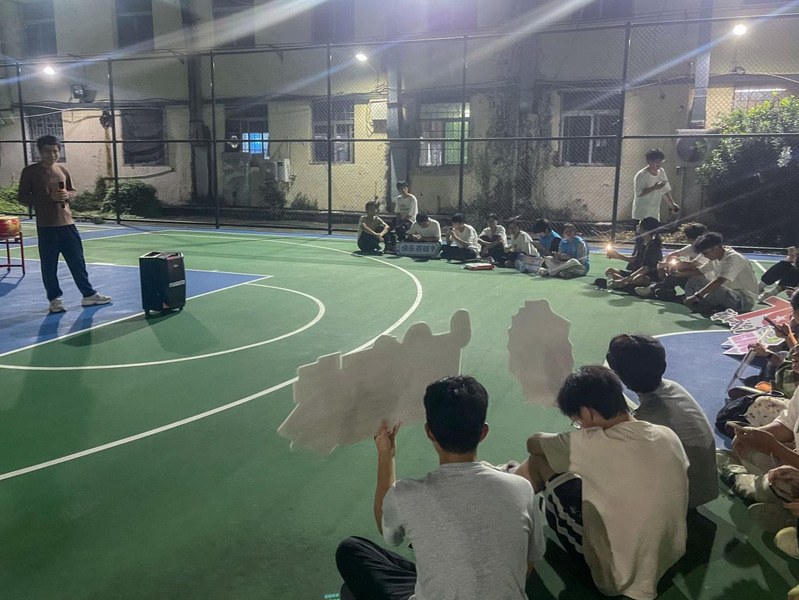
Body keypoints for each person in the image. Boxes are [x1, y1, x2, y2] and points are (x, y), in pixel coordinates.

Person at [335, 376, 545, 600]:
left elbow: (388, 530)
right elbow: (527, 567)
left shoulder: (407, 495)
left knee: (352, 549)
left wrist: (386, 455)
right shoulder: (521, 489)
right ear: (483, 432)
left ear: (429, 432)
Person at [514, 365, 689, 600]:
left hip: (618, 578)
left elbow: (533, 443)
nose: (579, 425)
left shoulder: (591, 444)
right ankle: (509, 482)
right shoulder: (666, 434)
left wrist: (581, 436)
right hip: (669, 552)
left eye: (577, 420)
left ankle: (506, 500)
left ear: (587, 413)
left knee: (539, 461)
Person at [606, 333, 718, 508]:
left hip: (681, 499)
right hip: (706, 485)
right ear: (663, 366)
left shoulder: (643, 424)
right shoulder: (674, 387)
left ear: (616, 372)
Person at [18, 135, 112, 313]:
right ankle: (55, 300)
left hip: (68, 224)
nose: (52, 155)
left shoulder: (62, 169)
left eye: (55, 151)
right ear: (40, 152)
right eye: (47, 151)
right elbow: (23, 197)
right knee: (49, 265)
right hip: (47, 226)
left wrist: (68, 195)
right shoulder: (30, 172)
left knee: (77, 261)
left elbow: (72, 191)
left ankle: (88, 294)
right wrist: (49, 198)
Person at [684, 232, 759, 314]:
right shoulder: (715, 258)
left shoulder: (733, 258)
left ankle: (701, 303)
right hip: (727, 293)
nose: (704, 256)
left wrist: (697, 296)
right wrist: (678, 273)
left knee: (716, 287)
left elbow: (720, 281)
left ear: (716, 248)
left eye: (705, 253)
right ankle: (696, 303)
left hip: (743, 300)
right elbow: (699, 272)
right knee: (695, 279)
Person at [635, 222, 709, 300]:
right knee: (675, 267)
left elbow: (691, 264)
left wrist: (667, 265)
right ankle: (666, 290)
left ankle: (655, 289)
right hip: (693, 278)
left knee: (677, 273)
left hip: (705, 282)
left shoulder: (707, 250)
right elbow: (670, 255)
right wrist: (664, 265)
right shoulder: (692, 248)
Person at [597, 216, 662, 291]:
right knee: (610, 270)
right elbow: (636, 259)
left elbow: (645, 268)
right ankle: (625, 285)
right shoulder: (641, 242)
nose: (637, 226)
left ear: (646, 230)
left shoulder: (653, 246)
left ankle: (620, 284)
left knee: (638, 278)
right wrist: (618, 256)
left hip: (648, 275)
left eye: (639, 225)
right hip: (635, 273)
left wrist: (624, 280)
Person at [632, 148, 680, 222]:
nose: (659, 164)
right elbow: (639, 193)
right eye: (657, 161)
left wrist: (672, 204)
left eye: (661, 161)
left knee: (655, 228)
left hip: (654, 212)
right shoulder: (641, 175)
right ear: (649, 161)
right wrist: (654, 187)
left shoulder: (661, 171)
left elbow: (665, 190)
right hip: (641, 213)